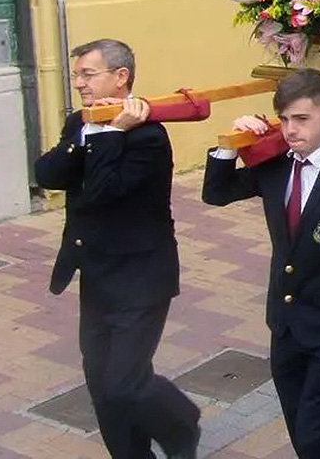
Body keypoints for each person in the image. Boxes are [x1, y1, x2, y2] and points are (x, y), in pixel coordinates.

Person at [202, 70, 320, 458]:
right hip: (286, 325)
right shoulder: (277, 165)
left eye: (302, 119)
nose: (291, 130)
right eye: (285, 119)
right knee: (300, 430)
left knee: (315, 434)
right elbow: (217, 193)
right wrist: (229, 144)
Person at [35, 39, 200, 459]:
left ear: (120, 76)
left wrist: (110, 135)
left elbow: (102, 195)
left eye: (87, 74)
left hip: (143, 278)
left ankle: (181, 424)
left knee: (123, 382)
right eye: (76, 75)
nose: (78, 84)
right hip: (97, 276)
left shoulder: (148, 137)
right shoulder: (81, 122)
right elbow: (48, 173)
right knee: (101, 385)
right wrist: (91, 133)